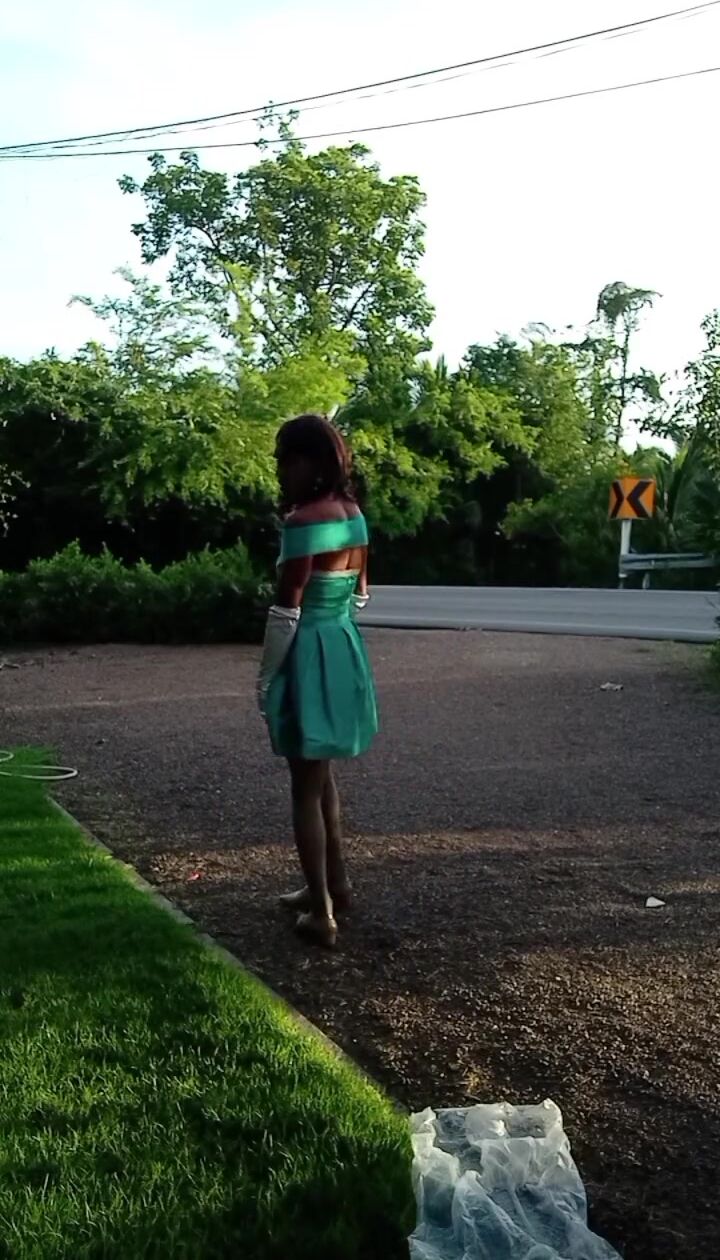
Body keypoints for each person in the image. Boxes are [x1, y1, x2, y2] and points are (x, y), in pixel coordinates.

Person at [257, 413, 378, 948]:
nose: (281, 470)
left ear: (308, 460)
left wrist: (266, 677)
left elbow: (287, 608)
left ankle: (321, 913)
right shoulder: (354, 515)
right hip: (342, 643)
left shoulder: (305, 521)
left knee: (304, 788)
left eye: (285, 459)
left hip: (307, 649)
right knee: (322, 777)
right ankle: (335, 885)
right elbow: (361, 595)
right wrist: (336, 626)